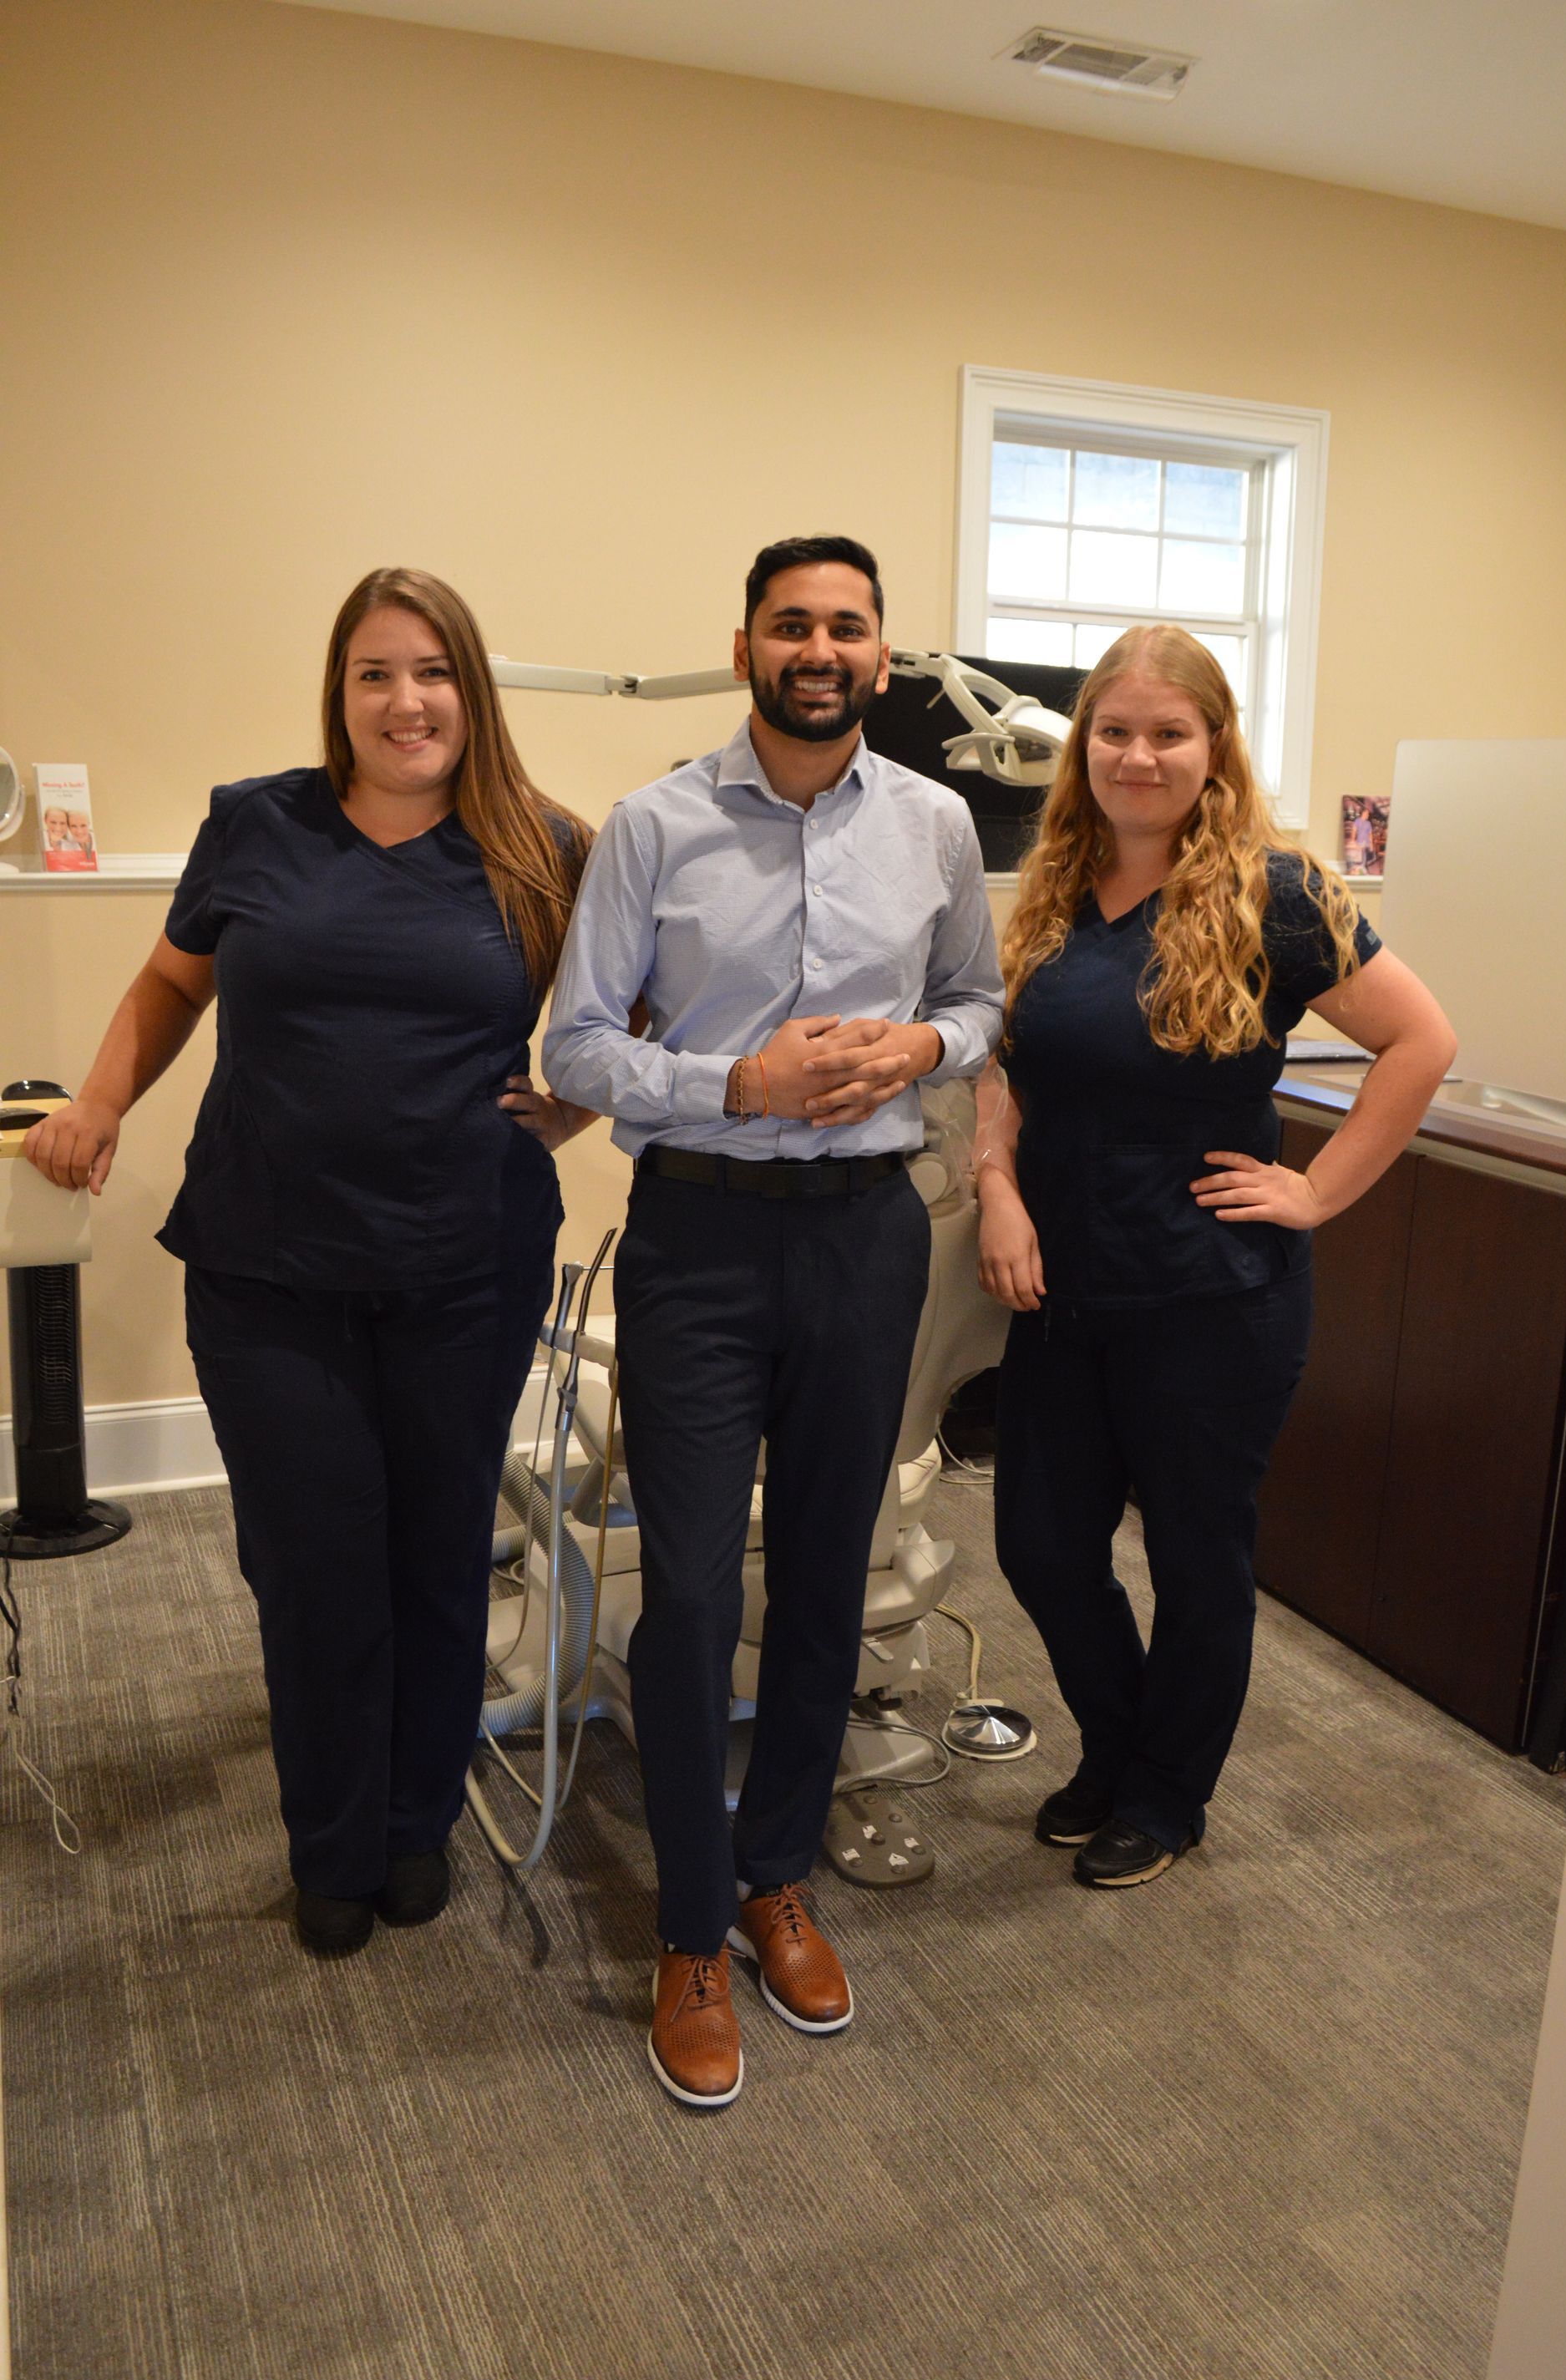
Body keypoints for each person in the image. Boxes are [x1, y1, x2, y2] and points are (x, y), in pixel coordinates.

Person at [24, 567, 594, 1956]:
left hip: (466, 1260)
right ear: (339, 694)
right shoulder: (257, 824)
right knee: (312, 1560)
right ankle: (333, 1841)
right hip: (267, 1264)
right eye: (376, 674)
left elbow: (628, 1002)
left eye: (433, 672)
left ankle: (415, 1823)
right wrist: (101, 1102)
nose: (407, 702)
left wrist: (578, 1101)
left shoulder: (546, 844)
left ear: (474, 688)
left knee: (440, 1548)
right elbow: (171, 981)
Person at [544, 534, 1003, 2108]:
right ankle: (686, 1927)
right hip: (702, 1238)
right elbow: (583, 1048)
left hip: (870, 1238)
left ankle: (776, 1877)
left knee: (824, 1570)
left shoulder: (938, 823)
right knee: (683, 1591)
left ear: (882, 654)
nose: (822, 648)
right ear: (744, 641)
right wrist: (738, 1082)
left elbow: (983, 1002)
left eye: (849, 627)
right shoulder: (653, 826)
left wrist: (920, 1048)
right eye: (793, 623)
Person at [976, 624, 1455, 1889]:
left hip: (1210, 1298)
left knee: (1196, 1560)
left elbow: (1422, 1043)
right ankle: (1124, 1743)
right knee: (1037, 1542)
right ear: (1084, 749)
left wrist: (1315, 1192)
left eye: (1167, 734)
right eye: (1114, 733)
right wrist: (995, 1188)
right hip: (1063, 1287)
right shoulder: (1056, 886)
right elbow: (1007, 1066)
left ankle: (1165, 1795)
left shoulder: (1276, 890)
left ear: (1213, 747)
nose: (1137, 756)